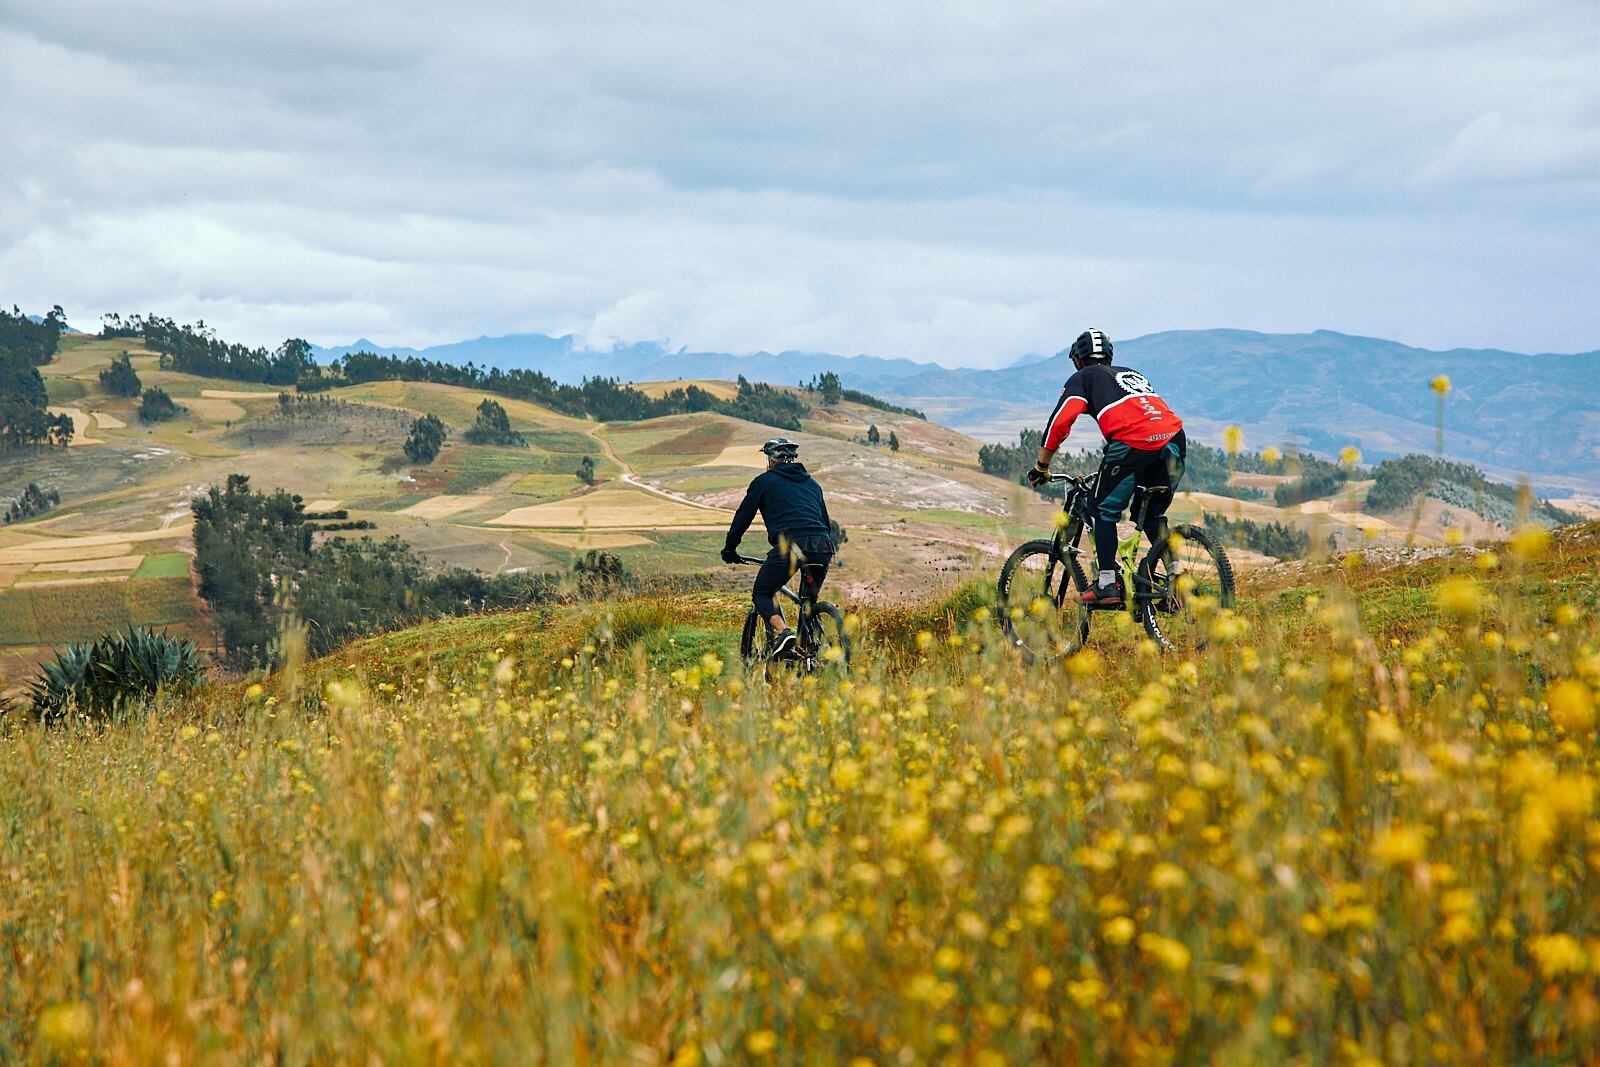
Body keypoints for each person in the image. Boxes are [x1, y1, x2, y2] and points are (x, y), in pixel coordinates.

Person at [1028, 329, 1187, 607]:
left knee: (1101, 509)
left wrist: (1042, 465)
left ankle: (1107, 584)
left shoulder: (1084, 377)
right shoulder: (1131, 375)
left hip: (1133, 443)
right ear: (1110, 357)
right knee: (1151, 514)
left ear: (1078, 360)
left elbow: (1060, 423)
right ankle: (1177, 582)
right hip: (1174, 439)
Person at [721, 438, 836, 657]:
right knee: (808, 603)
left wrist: (730, 548)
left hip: (790, 545)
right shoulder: (813, 484)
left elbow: (743, 516)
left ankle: (784, 634)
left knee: (762, 593)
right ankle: (805, 653)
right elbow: (825, 523)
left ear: (771, 460)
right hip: (822, 546)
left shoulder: (763, 482)